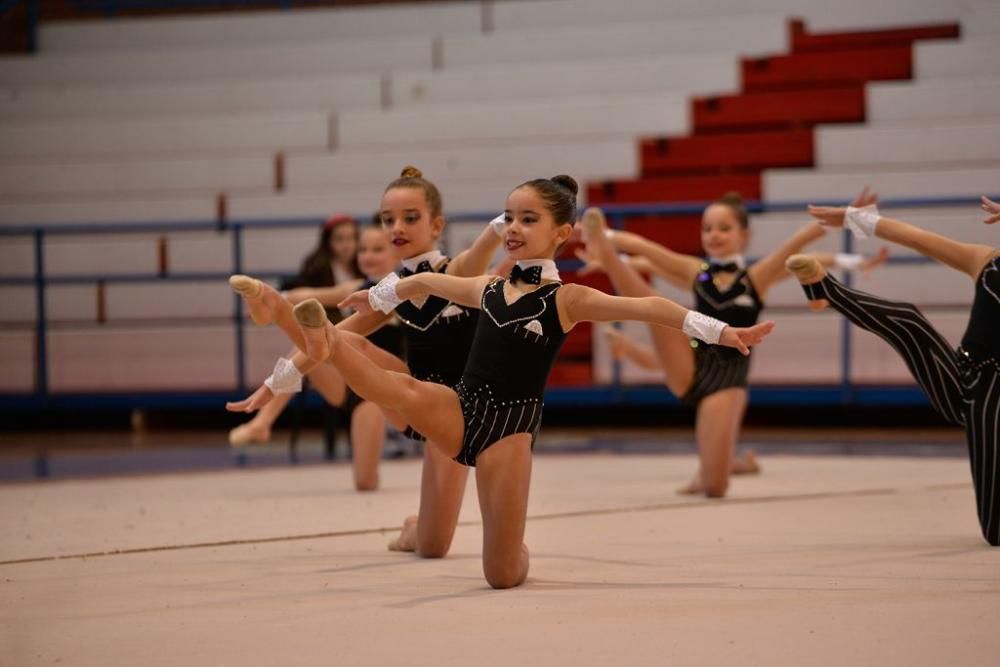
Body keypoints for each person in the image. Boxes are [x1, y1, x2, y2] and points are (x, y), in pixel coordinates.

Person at [241, 175, 774, 589]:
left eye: (529, 219)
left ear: (561, 234)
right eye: (510, 218)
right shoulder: (489, 287)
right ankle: (320, 338)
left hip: (510, 431)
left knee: (500, 575)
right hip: (461, 405)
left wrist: (721, 331)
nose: (514, 228)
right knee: (396, 388)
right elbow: (423, 280)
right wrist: (375, 298)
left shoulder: (566, 299)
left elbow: (650, 306)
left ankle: (515, 551)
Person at [230, 166, 503, 556]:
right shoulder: (387, 291)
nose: (398, 227)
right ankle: (276, 305)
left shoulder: (456, 271)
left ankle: (414, 530)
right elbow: (329, 344)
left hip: (458, 414)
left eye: (411, 218)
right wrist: (271, 387)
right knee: (344, 340)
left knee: (432, 546)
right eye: (388, 219)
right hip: (410, 397)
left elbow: (483, 248)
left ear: (436, 224)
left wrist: (508, 220)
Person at [576, 191, 887, 497]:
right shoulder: (696, 272)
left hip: (726, 381)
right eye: (707, 228)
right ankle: (606, 253)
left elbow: (799, 244)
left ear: (744, 236)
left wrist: (848, 222)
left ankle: (729, 464)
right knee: (655, 305)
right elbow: (648, 249)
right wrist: (604, 235)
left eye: (724, 228)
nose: (714, 235)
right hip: (691, 361)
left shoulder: (756, 278)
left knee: (715, 487)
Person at [784, 193, 999, 546]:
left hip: (995, 401)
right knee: (909, 318)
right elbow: (917, 238)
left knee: (996, 532)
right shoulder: (987, 262)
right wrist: (855, 217)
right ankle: (824, 288)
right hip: (965, 377)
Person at [228, 214, 363, 447]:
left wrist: (280, 297)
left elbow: (344, 291)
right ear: (328, 242)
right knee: (311, 347)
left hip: (371, 365)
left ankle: (263, 422)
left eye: (352, 239)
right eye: (340, 239)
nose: (347, 245)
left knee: (309, 345)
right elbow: (310, 294)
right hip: (337, 362)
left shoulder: (370, 275)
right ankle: (262, 422)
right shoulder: (317, 268)